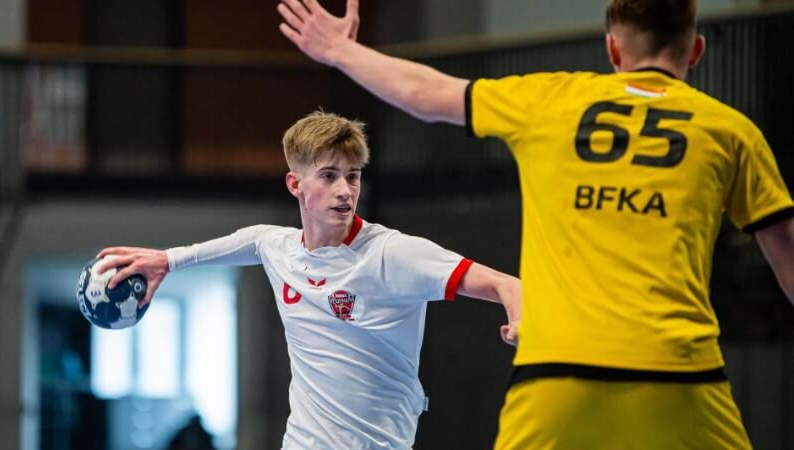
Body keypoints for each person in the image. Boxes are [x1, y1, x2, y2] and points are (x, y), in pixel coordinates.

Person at [276, 0, 794, 448]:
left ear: (613, 49)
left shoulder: (551, 100)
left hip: (556, 374)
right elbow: (788, 260)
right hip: (681, 373)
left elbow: (424, 94)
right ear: (696, 51)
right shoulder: (731, 132)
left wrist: (340, 50)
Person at [96, 111, 521, 450]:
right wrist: (168, 260)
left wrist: (520, 319)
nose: (345, 190)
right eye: (329, 175)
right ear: (295, 184)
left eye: (353, 175)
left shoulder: (393, 254)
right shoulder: (279, 248)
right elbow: (251, 240)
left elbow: (508, 284)